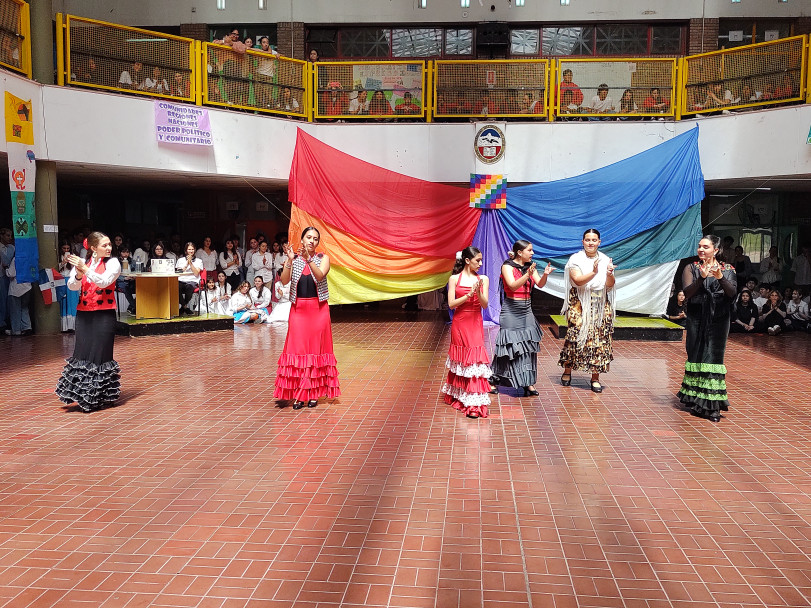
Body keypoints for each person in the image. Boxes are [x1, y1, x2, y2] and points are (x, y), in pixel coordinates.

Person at [273, 227, 340, 409]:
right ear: (302, 239)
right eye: (308, 237)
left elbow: (319, 276)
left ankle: (313, 394)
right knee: (298, 352)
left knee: (315, 352)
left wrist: (309, 260)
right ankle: (300, 394)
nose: (312, 241)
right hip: (298, 311)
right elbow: (285, 281)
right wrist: (289, 259)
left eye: (315, 239)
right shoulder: (293, 259)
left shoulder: (322, 258)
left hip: (318, 310)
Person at [55, 232, 121, 412]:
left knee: (100, 354)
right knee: (82, 352)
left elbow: (104, 282)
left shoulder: (113, 263)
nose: (109, 248)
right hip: (83, 313)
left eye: (109, 245)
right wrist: (77, 274)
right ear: (93, 248)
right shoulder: (85, 263)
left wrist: (86, 269)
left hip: (104, 314)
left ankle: (99, 396)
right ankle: (81, 394)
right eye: (104, 245)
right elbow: (72, 286)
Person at [677, 234, 736, 422]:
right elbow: (687, 293)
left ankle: (711, 407)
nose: (701, 250)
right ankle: (695, 400)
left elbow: (732, 293)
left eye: (706, 247)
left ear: (716, 250)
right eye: (700, 246)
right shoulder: (691, 268)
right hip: (696, 316)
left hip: (719, 318)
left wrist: (720, 278)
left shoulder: (728, 269)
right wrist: (702, 278)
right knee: (696, 354)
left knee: (713, 357)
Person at [491, 239, 553, 397]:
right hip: (511, 310)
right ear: (520, 252)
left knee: (528, 347)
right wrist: (527, 275)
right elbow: (512, 286)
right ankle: (494, 378)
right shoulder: (507, 266)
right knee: (508, 347)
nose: (532, 253)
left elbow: (540, 284)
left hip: (526, 311)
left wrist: (544, 275)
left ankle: (528, 382)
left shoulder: (530, 267)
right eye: (530, 250)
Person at [559, 229, 616, 393]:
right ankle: (567, 370)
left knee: (599, 339)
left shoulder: (605, 259)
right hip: (579, 302)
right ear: (582, 241)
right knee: (574, 335)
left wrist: (609, 273)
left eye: (594, 240)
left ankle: (595, 378)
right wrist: (594, 272)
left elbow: (610, 285)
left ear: (599, 242)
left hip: (599, 301)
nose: (591, 243)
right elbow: (576, 280)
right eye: (588, 240)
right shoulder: (575, 258)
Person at [442, 246, 492, 419]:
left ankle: (474, 404)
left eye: (481, 260)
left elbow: (485, 305)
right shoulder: (454, 278)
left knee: (474, 361)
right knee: (462, 360)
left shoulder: (483, 279)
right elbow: (451, 304)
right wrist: (468, 294)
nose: (481, 263)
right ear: (467, 261)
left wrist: (477, 292)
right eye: (478, 260)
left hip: (475, 322)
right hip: (460, 322)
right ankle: (460, 396)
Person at [58, 240, 80, 332]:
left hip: (71, 280)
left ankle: (73, 326)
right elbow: (55, 269)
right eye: (64, 248)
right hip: (62, 280)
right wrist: (63, 262)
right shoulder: (58, 257)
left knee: (73, 302)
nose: (66, 250)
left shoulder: (74, 256)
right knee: (64, 302)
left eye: (68, 248)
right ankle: (65, 327)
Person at [175, 242, 203, 315]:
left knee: (189, 288)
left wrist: (190, 263)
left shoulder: (199, 261)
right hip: (181, 280)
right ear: (186, 250)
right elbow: (179, 272)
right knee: (176, 288)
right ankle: (185, 307)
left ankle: (183, 308)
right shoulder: (180, 260)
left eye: (192, 249)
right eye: (189, 249)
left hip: (192, 280)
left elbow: (196, 273)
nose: (191, 251)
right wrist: (187, 263)